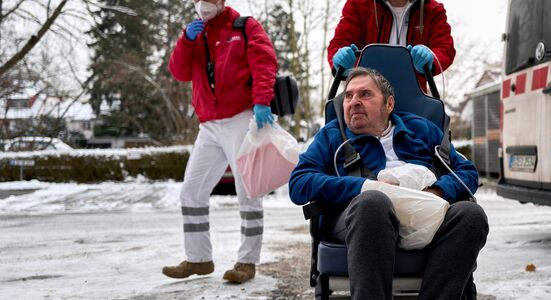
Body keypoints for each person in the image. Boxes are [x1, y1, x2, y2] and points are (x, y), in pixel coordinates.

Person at [289, 68, 488, 299]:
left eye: (365, 94)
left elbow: (467, 172)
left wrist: (437, 191)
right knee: (373, 202)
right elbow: (299, 182)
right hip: (361, 218)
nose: (354, 102)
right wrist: (363, 188)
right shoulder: (331, 136)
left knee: (471, 214)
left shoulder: (421, 129)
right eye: (349, 96)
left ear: (389, 104)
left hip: (425, 214)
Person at [162, 0, 278, 284]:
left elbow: (265, 63)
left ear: (222, 1)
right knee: (191, 191)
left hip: (240, 118)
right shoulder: (195, 33)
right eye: (199, 0)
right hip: (209, 124)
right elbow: (179, 72)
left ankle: (247, 261)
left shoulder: (245, 27)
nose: (204, 5)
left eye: (210, 0)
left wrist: (262, 101)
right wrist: (186, 40)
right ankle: (198, 258)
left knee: (247, 190)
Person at [327, 0, 456, 89]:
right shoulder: (358, 5)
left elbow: (445, 48)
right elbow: (339, 43)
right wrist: (340, 62)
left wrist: (431, 59)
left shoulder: (433, 10)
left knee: (428, 128)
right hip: (364, 95)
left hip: (413, 98)